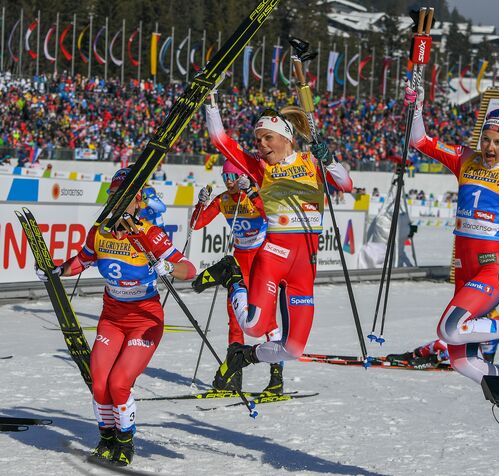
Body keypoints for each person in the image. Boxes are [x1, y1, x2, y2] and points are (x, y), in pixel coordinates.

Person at [36, 167, 196, 466]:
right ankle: (106, 438)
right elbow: (81, 262)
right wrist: (56, 272)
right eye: (113, 197)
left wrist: (169, 268)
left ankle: (125, 441)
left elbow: (189, 270)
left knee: (119, 383)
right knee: (99, 382)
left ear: (138, 201)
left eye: (124, 198)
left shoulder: (150, 234)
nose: (116, 204)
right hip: (112, 316)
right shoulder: (99, 231)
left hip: (145, 319)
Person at [192, 100, 353, 389]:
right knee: (252, 326)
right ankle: (233, 277)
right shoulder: (259, 168)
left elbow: (345, 184)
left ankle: (245, 357)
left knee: (292, 349)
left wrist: (328, 160)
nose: (261, 145)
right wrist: (213, 102)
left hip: (304, 268)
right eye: (258, 139)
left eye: (267, 137)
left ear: (287, 138)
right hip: (274, 255)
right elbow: (220, 139)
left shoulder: (312, 162)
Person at [405, 82, 499, 384]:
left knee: (450, 329)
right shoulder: (464, 158)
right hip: (464, 269)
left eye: (498, 142)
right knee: (464, 362)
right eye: (486, 139)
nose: (490, 147)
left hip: (492, 269)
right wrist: (416, 106)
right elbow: (420, 141)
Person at [192, 160, 284, 393]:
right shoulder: (223, 200)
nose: (229, 182)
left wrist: (253, 192)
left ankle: (276, 378)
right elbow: (197, 224)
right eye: (225, 178)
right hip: (240, 261)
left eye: (233, 177)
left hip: (262, 261)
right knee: (235, 317)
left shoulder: (253, 195)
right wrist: (200, 205)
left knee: (267, 319)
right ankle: (234, 375)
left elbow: (270, 214)